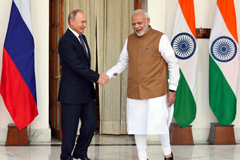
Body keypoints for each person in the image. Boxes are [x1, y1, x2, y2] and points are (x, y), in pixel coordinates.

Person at [104, 9, 180, 160]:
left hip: (157, 91)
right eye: (134, 24)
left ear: (148, 21)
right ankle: (142, 156)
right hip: (134, 92)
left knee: (160, 125)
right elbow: (122, 63)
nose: (137, 26)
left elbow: (173, 64)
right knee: (137, 126)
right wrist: (107, 75)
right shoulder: (129, 40)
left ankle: (167, 154)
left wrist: (172, 89)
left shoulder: (160, 38)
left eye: (139, 23)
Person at [58, 9, 108, 160]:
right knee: (70, 129)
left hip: (86, 92)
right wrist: (97, 77)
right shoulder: (65, 41)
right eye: (82, 22)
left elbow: (84, 64)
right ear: (71, 22)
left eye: (85, 21)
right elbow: (77, 65)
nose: (85, 25)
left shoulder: (83, 38)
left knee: (91, 123)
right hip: (71, 93)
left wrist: (94, 78)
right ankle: (66, 156)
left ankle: (80, 152)